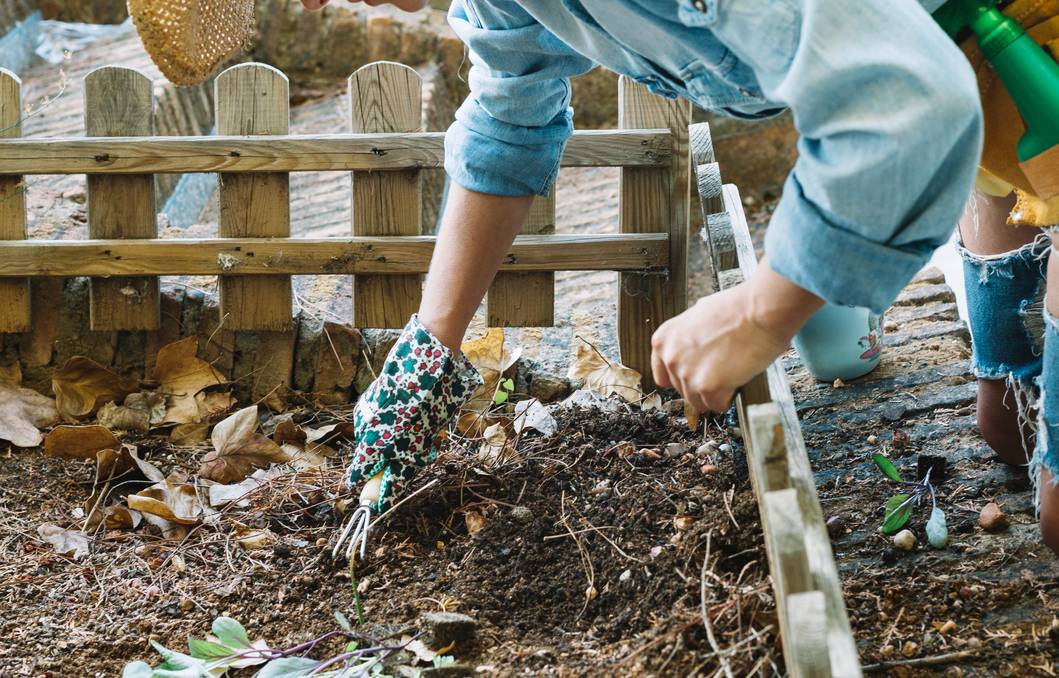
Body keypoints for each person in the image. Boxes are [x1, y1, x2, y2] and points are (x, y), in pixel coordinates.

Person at [301, 0, 985, 515]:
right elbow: (508, 116)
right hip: (975, 95)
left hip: (1020, 49)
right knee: (988, 431)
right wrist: (430, 344)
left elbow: (909, 104)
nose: (306, 8)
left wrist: (757, 314)